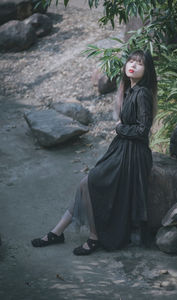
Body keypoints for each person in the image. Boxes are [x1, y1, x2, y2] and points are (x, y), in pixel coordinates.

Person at [31, 49, 157, 255]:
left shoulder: (142, 93)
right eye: (131, 61)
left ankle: (94, 237)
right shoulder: (131, 90)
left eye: (140, 63)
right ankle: (57, 231)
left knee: (89, 183)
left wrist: (119, 127)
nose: (133, 65)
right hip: (122, 148)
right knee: (85, 184)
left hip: (133, 154)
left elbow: (143, 130)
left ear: (147, 69)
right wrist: (121, 129)